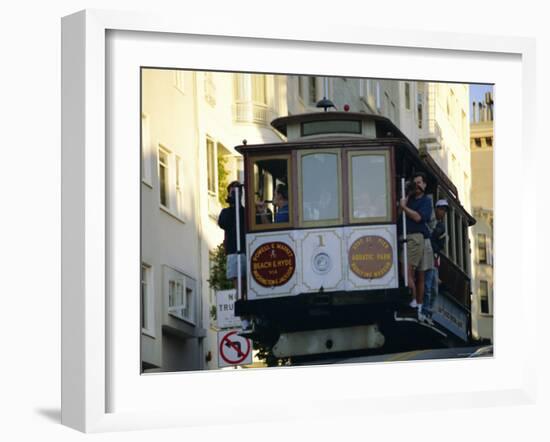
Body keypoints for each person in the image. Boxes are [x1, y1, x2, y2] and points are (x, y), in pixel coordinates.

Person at [399, 171, 433, 316]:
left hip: (418, 239)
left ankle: (416, 303)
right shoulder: (410, 199)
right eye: (415, 183)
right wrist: (406, 194)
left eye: (419, 183)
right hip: (409, 238)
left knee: (416, 274)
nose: (417, 186)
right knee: (410, 273)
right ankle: (415, 303)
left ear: (424, 184)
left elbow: (419, 218)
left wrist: (404, 208)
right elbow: (400, 208)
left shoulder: (426, 201)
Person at [217, 181, 246, 290]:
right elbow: (223, 223)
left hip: (245, 250)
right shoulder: (226, 212)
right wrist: (232, 205)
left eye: (238, 192)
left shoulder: (246, 212)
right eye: (233, 192)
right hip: (233, 251)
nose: (235, 195)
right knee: (237, 283)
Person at [422, 199, 448, 320]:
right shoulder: (430, 221)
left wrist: (433, 247)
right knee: (428, 285)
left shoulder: (441, 226)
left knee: (433, 289)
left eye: (444, 210)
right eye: (441, 209)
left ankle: (429, 313)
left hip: (433, 258)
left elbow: (440, 245)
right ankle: (425, 311)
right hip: (426, 256)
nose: (443, 212)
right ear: (436, 209)